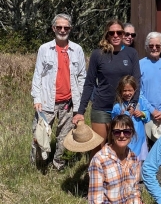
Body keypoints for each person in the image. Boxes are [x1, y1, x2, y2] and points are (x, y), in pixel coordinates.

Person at [73, 19, 141, 158]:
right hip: (101, 107)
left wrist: (133, 105)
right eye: (112, 33)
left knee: (119, 146)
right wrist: (81, 111)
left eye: (119, 32)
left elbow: (137, 82)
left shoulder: (131, 53)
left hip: (123, 108)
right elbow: (89, 83)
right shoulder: (98, 54)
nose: (115, 35)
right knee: (99, 148)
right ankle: (94, 178)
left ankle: (117, 178)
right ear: (107, 35)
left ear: (123, 34)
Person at [30, 13, 86, 171]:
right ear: (53, 28)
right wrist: (37, 99)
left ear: (70, 29)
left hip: (68, 103)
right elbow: (37, 76)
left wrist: (80, 104)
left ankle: (58, 165)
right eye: (59, 27)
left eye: (66, 27)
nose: (62, 30)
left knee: (64, 138)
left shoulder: (77, 50)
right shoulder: (44, 49)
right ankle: (37, 166)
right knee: (40, 135)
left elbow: (82, 77)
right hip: (46, 102)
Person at [89, 114, 150, 204]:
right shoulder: (99, 160)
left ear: (132, 134)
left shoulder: (133, 158)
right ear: (111, 134)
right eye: (117, 132)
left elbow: (136, 193)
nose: (122, 135)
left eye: (126, 132)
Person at [111, 75, 150, 162]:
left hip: (139, 137)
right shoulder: (118, 106)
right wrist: (124, 114)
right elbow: (114, 121)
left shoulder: (140, 101)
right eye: (124, 90)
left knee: (139, 162)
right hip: (125, 137)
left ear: (135, 90)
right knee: (126, 159)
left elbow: (148, 115)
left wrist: (142, 113)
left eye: (130, 90)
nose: (127, 93)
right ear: (120, 91)